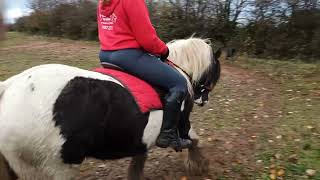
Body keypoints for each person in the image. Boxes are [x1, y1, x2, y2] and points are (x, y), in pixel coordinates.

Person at [97, 0, 192, 151]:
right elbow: (146, 38)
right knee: (179, 83)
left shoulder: (103, 1)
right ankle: (168, 135)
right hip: (128, 56)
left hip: (106, 54)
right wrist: (164, 50)